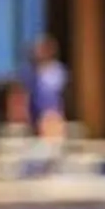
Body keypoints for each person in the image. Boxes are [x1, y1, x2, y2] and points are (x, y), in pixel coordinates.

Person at [20, 33, 70, 170]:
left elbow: (56, 96)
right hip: (36, 114)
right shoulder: (31, 73)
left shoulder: (57, 71)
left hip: (51, 112)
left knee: (52, 145)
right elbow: (26, 95)